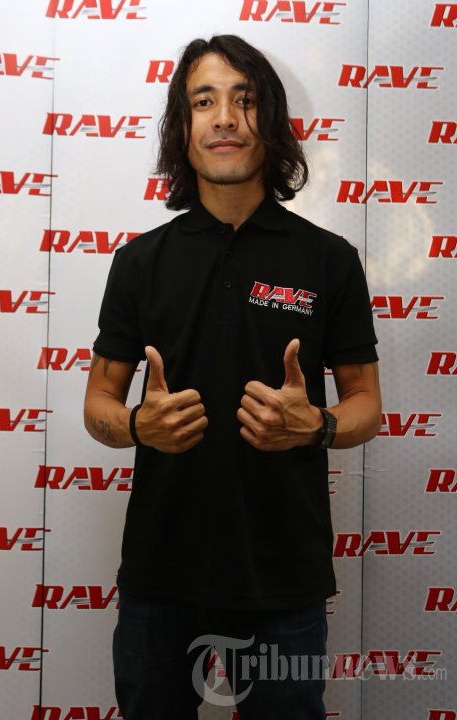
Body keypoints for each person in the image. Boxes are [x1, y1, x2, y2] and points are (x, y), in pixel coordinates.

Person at [84, 34, 381, 720]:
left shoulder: (329, 260)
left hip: (284, 581)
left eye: (244, 101)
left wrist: (318, 425)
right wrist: (137, 425)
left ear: (269, 122)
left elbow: (366, 403)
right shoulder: (138, 262)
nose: (224, 118)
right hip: (159, 577)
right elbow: (98, 401)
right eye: (204, 101)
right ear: (181, 128)